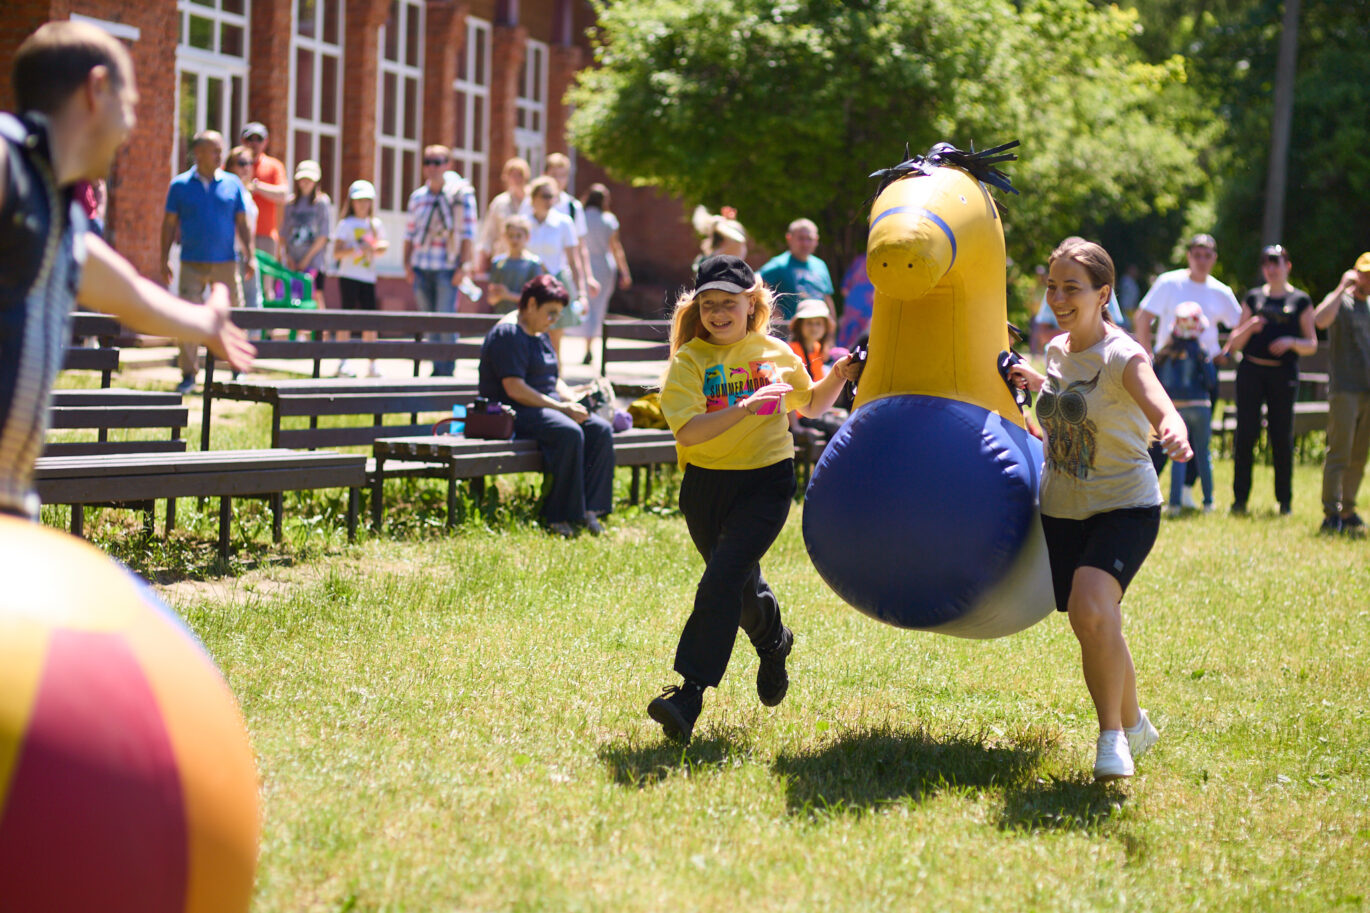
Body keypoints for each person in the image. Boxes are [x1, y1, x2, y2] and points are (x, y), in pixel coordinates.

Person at [1, 20, 253, 519]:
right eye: (131, 104)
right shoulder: (8, 158)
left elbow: (130, 295)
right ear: (96, 90)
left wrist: (204, 324)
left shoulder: (57, 210)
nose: (131, 126)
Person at [647, 255, 862, 743]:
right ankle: (773, 642)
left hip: (766, 482)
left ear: (752, 304)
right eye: (708, 304)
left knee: (722, 578)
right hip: (705, 486)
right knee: (737, 586)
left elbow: (810, 404)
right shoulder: (689, 362)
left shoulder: (776, 352)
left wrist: (840, 374)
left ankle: (689, 694)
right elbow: (689, 431)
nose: (718, 312)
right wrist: (745, 408)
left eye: (729, 303)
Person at [1008, 238, 1189, 782]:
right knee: (1095, 621)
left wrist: (1173, 426)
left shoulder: (1122, 354)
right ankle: (1136, 723)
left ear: (1103, 293)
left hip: (1124, 505)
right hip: (1062, 508)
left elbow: (1156, 399)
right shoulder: (1058, 348)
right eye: (1053, 286)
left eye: (1073, 288)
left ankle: (1112, 739)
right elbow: (1071, 402)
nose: (1059, 297)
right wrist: (1039, 383)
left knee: (1091, 604)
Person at [476, 275, 615, 538]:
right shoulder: (509, 333)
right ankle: (557, 515)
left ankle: (590, 511)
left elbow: (553, 380)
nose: (554, 321)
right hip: (512, 410)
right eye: (550, 313)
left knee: (599, 430)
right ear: (530, 304)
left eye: (558, 315)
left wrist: (572, 395)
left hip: (544, 407)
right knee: (569, 431)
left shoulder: (540, 334)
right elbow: (514, 388)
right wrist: (563, 409)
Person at [1134, 233, 1241, 508]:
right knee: (1158, 433)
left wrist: (1226, 352)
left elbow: (1239, 324)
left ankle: (1185, 492)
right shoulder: (1169, 282)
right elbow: (1143, 316)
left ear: (1214, 258)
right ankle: (1147, 490)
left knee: (1197, 439)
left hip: (1203, 375)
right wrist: (1145, 356)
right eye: (1197, 254)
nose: (1202, 260)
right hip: (1169, 370)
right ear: (1189, 255)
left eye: (1208, 254)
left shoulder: (1221, 291)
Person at [1223, 244, 1316, 515]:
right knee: (1245, 435)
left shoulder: (1300, 300)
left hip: (1282, 374)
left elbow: (1311, 343)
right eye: (1266, 263)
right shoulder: (1253, 298)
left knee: (1280, 435)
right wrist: (1250, 325)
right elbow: (1235, 344)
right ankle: (1240, 501)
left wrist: (1291, 341)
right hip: (1251, 371)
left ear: (1287, 266)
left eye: (1276, 263)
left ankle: (1284, 502)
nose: (1271, 269)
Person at [161, 129, 255, 394]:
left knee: (234, 314)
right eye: (214, 150)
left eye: (221, 150)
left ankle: (238, 371)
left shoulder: (233, 183)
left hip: (225, 262)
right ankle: (189, 374)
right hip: (191, 261)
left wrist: (250, 256)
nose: (219, 155)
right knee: (188, 319)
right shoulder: (180, 185)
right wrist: (163, 258)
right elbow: (168, 225)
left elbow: (242, 223)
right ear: (198, 153)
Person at [404, 144, 475, 377]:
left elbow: (468, 234)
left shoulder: (460, 195)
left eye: (438, 161)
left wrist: (463, 267)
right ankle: (436, 369)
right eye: (428, 161)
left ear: (448, 164)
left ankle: (447, 371)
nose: (432, 167)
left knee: (445, 320)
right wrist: (407, 264)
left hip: (447, 267)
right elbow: (409, 233)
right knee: (429, 321)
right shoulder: (417, 197)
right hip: (421, 267)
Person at [1312, 255, 1370, 535]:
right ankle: (1330, 513)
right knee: (1339, 453)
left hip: (1367, 390)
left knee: (1359, 456)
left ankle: (1348, 510)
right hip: (1344, 389)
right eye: (1365, 274)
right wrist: (1339, 288)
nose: (1368, 281)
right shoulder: (1340, 301)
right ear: (1355, 273)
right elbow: (1320, 321)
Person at [1154, 302, 1217, 514]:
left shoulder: (1164, 353)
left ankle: (1174, 504)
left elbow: (1155, 381)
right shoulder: (1200, 351)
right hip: (1200, 406)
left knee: (1177, 456)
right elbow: (1211, 381)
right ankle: (1208, 502)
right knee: (1203, 453)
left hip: (1175, 409)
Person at [523, 175, 591, 365]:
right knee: (528, 337)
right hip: (530, 285)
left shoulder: (563, 222)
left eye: (552, 196)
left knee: (554, 340)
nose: (549, 201)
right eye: (544, 196)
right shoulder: (524, 221)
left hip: (555, 284)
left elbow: (573, 260)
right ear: (534, 197)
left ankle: (556, 381)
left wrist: (582, 293)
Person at [565, 183, 632, 365]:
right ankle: (589, 345)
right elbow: (616, 248)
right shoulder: (608, 219)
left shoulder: (580, 217)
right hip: (603, 265)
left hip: (582, 264)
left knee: (582, 301)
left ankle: (580, 339)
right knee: (598, 307)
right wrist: (624, 272)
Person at [332, 179, 388, 377]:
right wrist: (355, 249)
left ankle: (372, 363)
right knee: (346, 319)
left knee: (370, 321)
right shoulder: (345, 224)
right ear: (352, 202)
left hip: (368, 278)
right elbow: (336, 252)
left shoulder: (374, 224)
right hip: (348, 276)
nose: (363, 204)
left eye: (367, 200)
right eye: (359, 200)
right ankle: (342, 361)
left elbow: (383, 246)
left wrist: (372, 247)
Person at [758, 218, 835, 325]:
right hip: (789, 332)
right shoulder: (779, 265)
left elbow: (827, 298)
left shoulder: (820, 265)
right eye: (801, 238)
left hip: (817, 332)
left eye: (809, 239)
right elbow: (755, 283)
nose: (805, 243)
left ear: (816, 240)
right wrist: (772, 307)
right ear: (789, 238)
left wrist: (831, 329)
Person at [787, 297, 845, 439]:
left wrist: (830, 410)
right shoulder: (791, 351)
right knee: (840, 427)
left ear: (825, 327)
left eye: (818, 323)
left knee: (846, 418)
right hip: (800, 415)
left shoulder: (818, 350)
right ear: (799, 325)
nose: (814, 328)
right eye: (809, 323)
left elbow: (818, 389)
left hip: (814, 411)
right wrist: (795, 427)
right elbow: (785, 392)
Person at [280, 159, 332, 315]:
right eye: (303, 179)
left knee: (315, 297)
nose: (306, 183)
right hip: (293, 262)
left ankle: (321, 335)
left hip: (313, 263)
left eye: (309, 179)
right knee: (292, 299)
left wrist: (306, 260)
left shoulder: (321, 203)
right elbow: (283, 233)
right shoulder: (291, 203)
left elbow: (323, 236)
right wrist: (288, 257)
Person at [238, 122, 289, 256]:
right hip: (237, 234)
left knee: (264, 277)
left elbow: (283, 195)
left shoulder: (273, 166)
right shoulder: (233, 164)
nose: (254, 143)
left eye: (258, 139)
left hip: (265, 236)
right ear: (242, 141)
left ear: (266, 142)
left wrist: (257, 186)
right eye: (250, 139)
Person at [476, 156, 531, 272]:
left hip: (527, 258)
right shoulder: (500, 202)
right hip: (504, 257)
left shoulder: (532, 201)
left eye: (519, 175)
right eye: (512, 175)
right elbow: (489, 233)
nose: (516, 179)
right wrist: (482, 259)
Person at [225, 145, 261, 313]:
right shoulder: (227, 190)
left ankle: (252, 339)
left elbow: (249, 228)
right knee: (235, 301)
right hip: (231, 253)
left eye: (249, 163)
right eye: (241, 163)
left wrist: (251, 254)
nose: (246, 167)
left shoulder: (246, 192)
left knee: (253, 300)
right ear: (230, 166)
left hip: (246, 252)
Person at [486, 215, 546, 315]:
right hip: (501, 317)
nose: (514, 240)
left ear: (527, 237)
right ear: (504, 237)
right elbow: (491, 299)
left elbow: (536, 299)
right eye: (511, 236)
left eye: (518, 236)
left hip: (525, 319)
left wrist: (508, 295)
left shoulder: (533, 264)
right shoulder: (498, 263)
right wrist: (497, 295)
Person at [690, 204, 748, 274]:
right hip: (716, 268)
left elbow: (739, 239)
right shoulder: (719, 223)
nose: (731, 212)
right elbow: (739, 239)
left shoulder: (734, 226)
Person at [837, 253, 874, 351]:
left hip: (855, 314)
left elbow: (845, 289)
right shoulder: (889, 263)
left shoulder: (859, 260)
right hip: (867, 315)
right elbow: (845, 290)